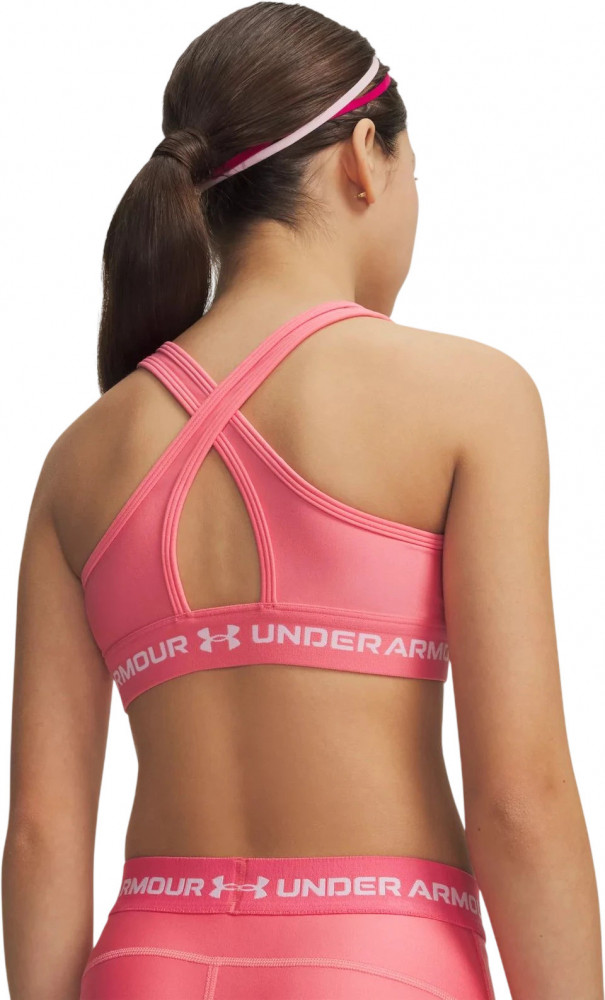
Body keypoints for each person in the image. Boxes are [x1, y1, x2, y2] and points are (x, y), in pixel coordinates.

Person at [3, 2, 603, 998]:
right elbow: (519, 799)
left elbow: (40, 834)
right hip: (381, 963)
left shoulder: (80, 457)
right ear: (364, 157)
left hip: (144, 963)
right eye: (414, 173)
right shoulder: (471, 397)